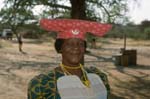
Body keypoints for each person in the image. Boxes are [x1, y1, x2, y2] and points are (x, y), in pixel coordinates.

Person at [28, 19, 112, 99]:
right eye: (69, 44)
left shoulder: (99, 76)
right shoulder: (42, 83)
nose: (76, 48)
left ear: (84, 48)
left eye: (80, 44)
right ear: (60, 48)